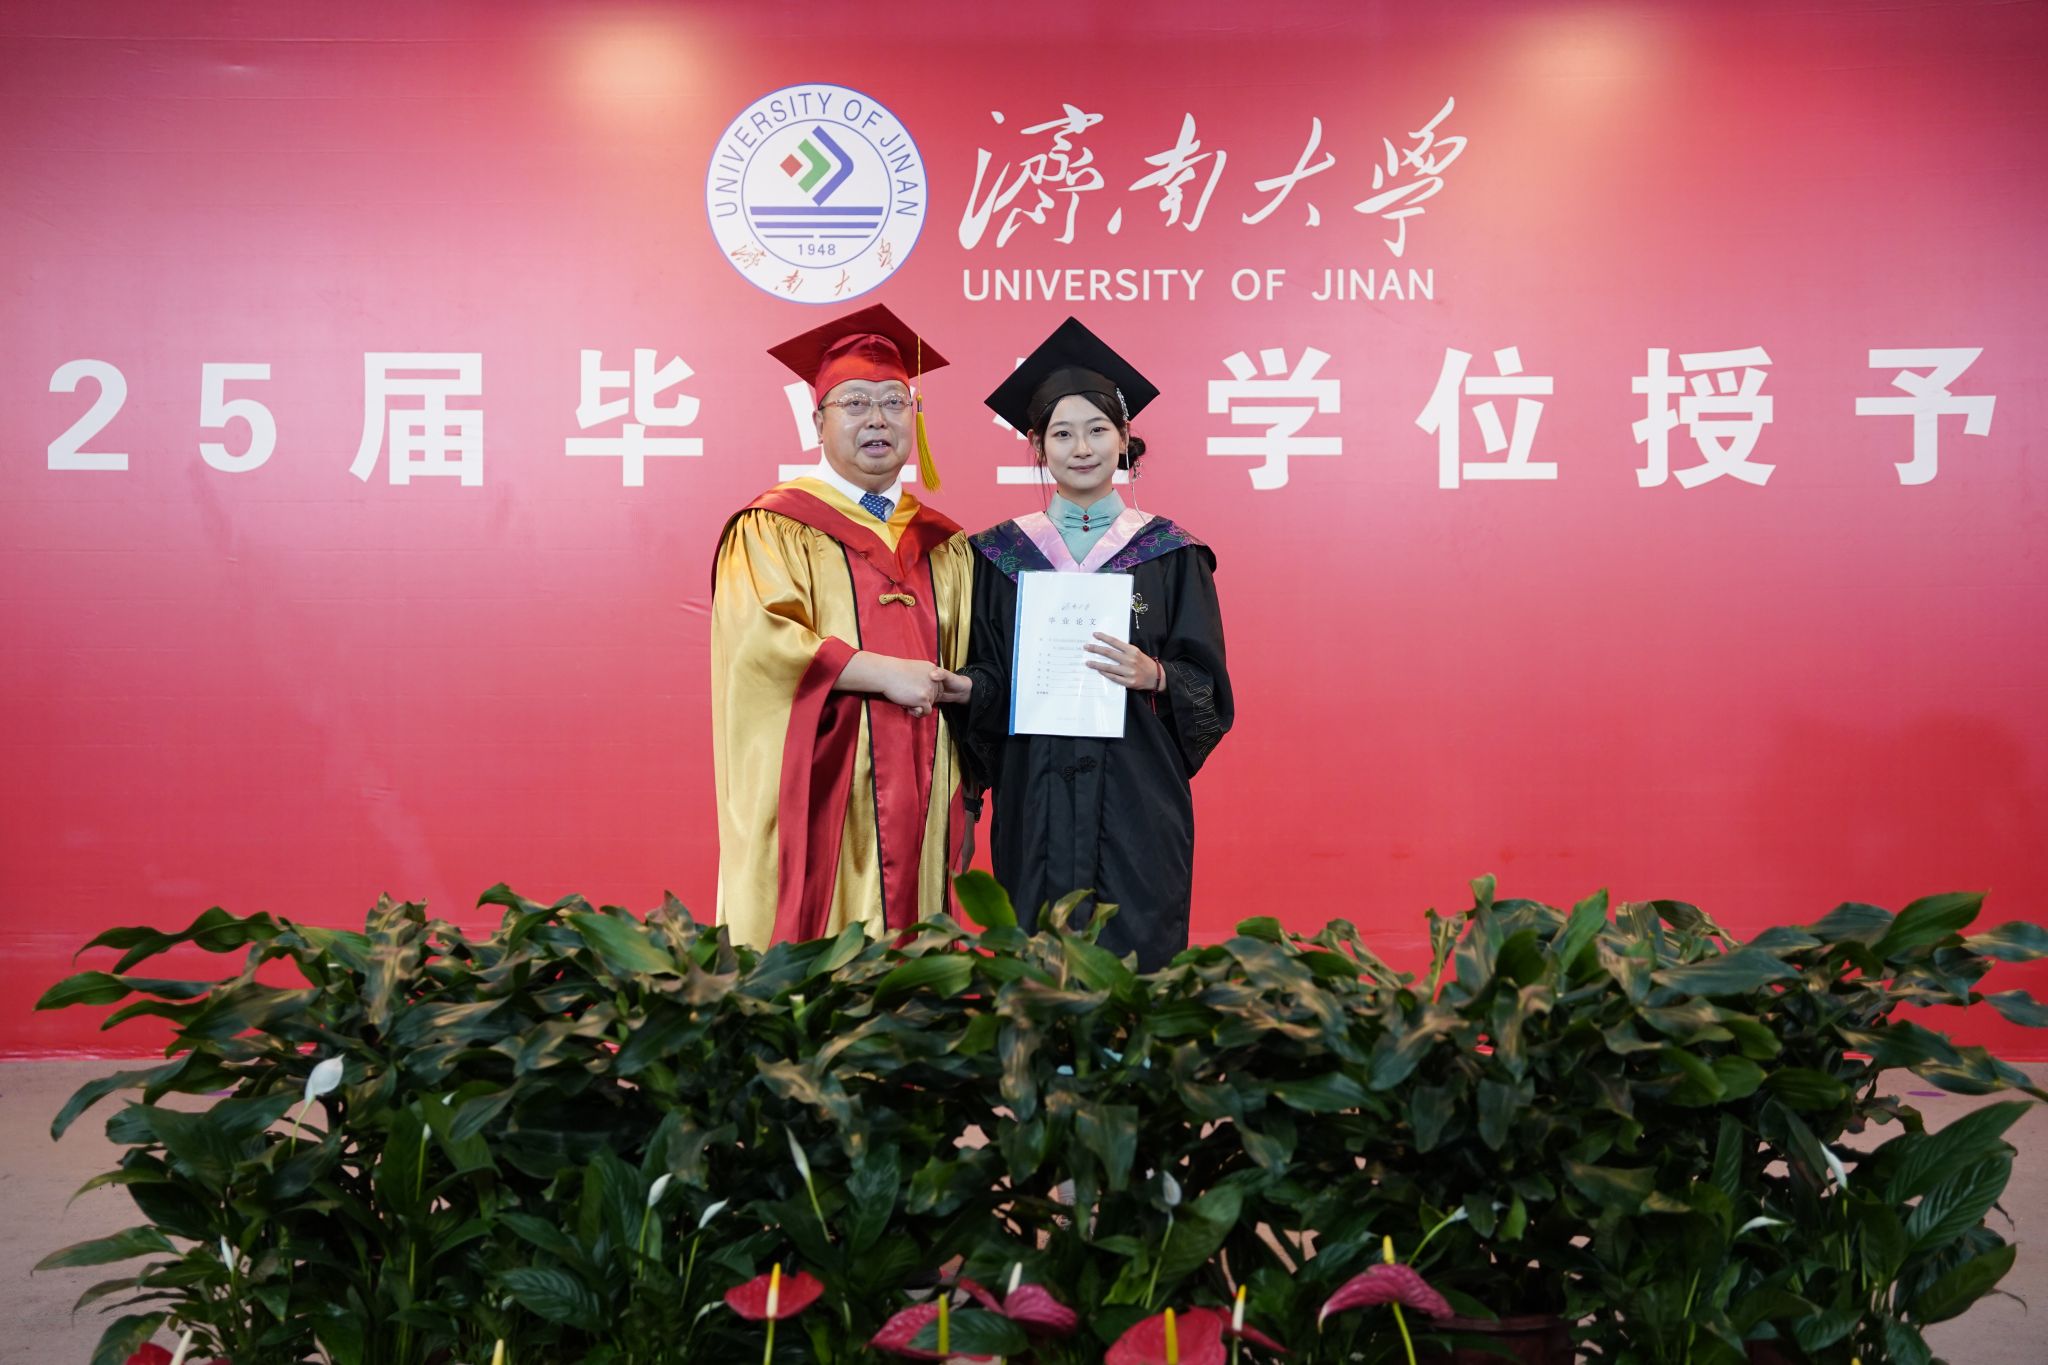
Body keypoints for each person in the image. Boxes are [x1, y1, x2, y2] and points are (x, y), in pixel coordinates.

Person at [956, 317, 1233, 969]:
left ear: (1124, 437)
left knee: (1135, 958)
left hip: (1137, 798)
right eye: (1061, 433)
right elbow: (988, 680)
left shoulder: (1171, 554)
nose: (1081, 447)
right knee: (1036, 959)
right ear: (1037, 445)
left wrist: (1156, 675)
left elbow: (1209, 689)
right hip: (1034, 794)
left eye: (1098, 429)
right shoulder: (995, 557)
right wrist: (965, 687)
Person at [710, 304, 975, 949]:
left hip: (923, 790)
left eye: (895, 402)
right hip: (822, 787)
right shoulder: (773, 527)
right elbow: (758, 643)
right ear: (817, 422)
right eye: (855, 403)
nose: (878, 418)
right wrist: (882, 673)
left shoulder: (947, 545)